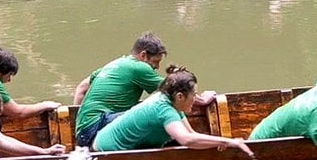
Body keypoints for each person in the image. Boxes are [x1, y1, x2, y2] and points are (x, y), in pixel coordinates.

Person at [72, 32, 216, 148]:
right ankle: (179, 142)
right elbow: (174, 90)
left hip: (83, 133)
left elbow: (81, 89)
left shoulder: (114, 64)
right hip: (96, 129)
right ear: (143, 55)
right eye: (155, 62)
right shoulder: (139, 67)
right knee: (158, 111)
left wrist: (76, 125)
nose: (157, 68)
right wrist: (203, 100)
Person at [92, 68, 253, 158]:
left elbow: (191, 135)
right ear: (180, 96)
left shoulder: (173, 104)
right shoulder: (165, 109)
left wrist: (218, 142)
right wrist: (229, 141)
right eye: (194, 95)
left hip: (109, 145)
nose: (196, 98)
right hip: (106, 151)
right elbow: (187, 140)